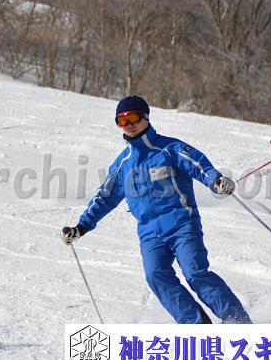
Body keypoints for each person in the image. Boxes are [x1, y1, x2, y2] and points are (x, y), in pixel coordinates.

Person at [60, 95, 252, 324]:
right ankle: (197, 326)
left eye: (132, 117)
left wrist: (215, 181)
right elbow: (105, 197)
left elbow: (198, 164)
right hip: (149, 233)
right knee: (156, 276)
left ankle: (237, 321)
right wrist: (81, 227)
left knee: (195, 273)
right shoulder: (123, 164)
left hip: (182, 223)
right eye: (121, 121)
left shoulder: (169, 148)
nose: (128, 125)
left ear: (145, 117)